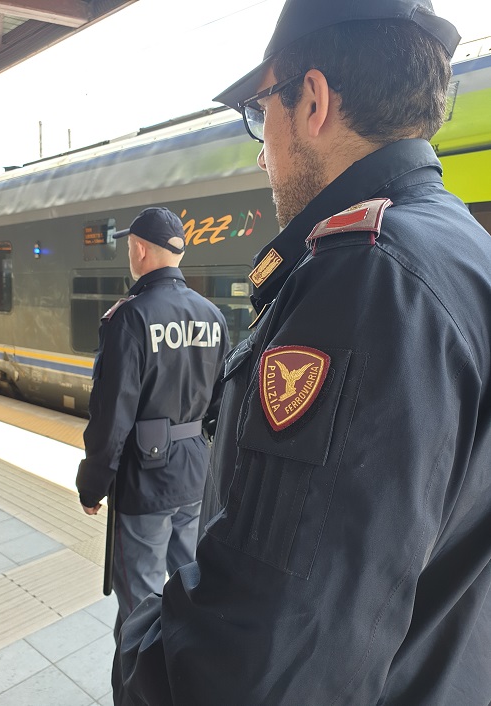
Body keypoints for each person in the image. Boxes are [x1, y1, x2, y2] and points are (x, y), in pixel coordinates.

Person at [113, 2, 491, 704]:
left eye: (264, 114)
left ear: (312, 102)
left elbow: (265, 663)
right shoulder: (467, 250)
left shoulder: (369, 280)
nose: (263, 151)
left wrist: (137, 638)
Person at [76, 206, 230, 637]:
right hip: (194, 474)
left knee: (140, 606)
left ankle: (136, 693)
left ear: (141, 250)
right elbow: (218, 404)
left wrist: (93, 485)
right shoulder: (212, 316)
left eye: (129, 246)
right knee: (192, 590)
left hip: (144, 483)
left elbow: (112, 418)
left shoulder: (130, 317)